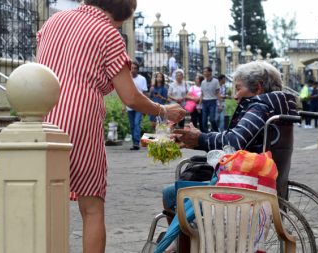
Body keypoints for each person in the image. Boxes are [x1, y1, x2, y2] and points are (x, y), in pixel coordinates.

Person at [35, 1, 186, 252]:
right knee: (92, 206)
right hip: (81, 115)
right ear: (122, 13)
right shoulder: (107, 33)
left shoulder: (52, 22)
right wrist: (163, 110)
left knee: (45, 200)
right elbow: (130, 97)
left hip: (42, 113)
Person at [163, 61, 298, 219]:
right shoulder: (279, 105)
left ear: (258, 87)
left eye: (239, 88)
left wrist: (200, 138)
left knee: (171, 194)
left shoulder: (260, 107)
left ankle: (184, 242)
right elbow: (237, 138)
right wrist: (199, 139)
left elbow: (234, 141)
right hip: (264, 177)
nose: (235, 96)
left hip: (245, 183)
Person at [125, 61, 148, 150]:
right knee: (132, 125)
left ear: (138, 70)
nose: (133, 70)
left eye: (135, 68)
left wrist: (146, 107)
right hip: (130, 105)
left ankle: (136, 143)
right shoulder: (127, 79)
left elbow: (145, 93)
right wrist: (124, 106)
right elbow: (124, 93)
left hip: (139, 105)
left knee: (136, 123)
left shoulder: (142, 79)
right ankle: (134, 141)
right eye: (132, 68)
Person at [200, 66, 221, 133]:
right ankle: (206, 134)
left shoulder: (216, 81)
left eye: (206, 71)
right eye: (204, 72)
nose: (204, 73)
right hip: (204, 102)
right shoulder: (203, 82)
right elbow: (202, 94)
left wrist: (220, 104)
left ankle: (216, 132)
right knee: (204, 120)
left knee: (212, 119)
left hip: (212, 101)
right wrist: (199, 104)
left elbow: (218, 93)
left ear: (210, 72)